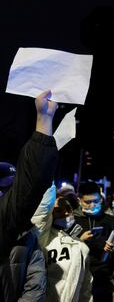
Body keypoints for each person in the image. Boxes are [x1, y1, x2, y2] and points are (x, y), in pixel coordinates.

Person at [0, 90, 59, 302]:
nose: (10, 196)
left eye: (11, 189)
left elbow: (35, 286)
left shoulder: (27, 233)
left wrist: (44, 119)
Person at [31, 183, 93, 301]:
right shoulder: (43, 239)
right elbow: (42, 213)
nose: (65, 213)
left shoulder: (81, 247)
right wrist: (49, 178)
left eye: (68, 209)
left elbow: (86, 287)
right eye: (58, 210)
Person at [74, 181, 114, 302]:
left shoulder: (109, 220)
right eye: (88, 202)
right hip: (78, 275)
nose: (93, 205)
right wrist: (79, 240)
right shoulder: (73, 220)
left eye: (96, 201)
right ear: (79, 200)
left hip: (103, 277)